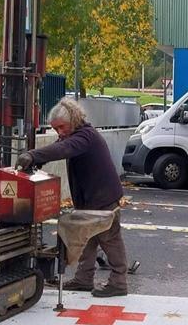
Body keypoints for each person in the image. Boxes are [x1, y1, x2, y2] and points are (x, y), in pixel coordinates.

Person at [17, 98, 129, 297]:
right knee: (88, 239)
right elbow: (59, 146)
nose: (59, 132)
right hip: (92, 198)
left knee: (110, 239)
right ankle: (84, 279)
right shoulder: (75, 134)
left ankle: (119, 282)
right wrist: (39, 158)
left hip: (102, 198)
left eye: (61, 127)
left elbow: (64, 149)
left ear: (73, 120)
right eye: (55, 129)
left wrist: (34, 155)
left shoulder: (85, 136)